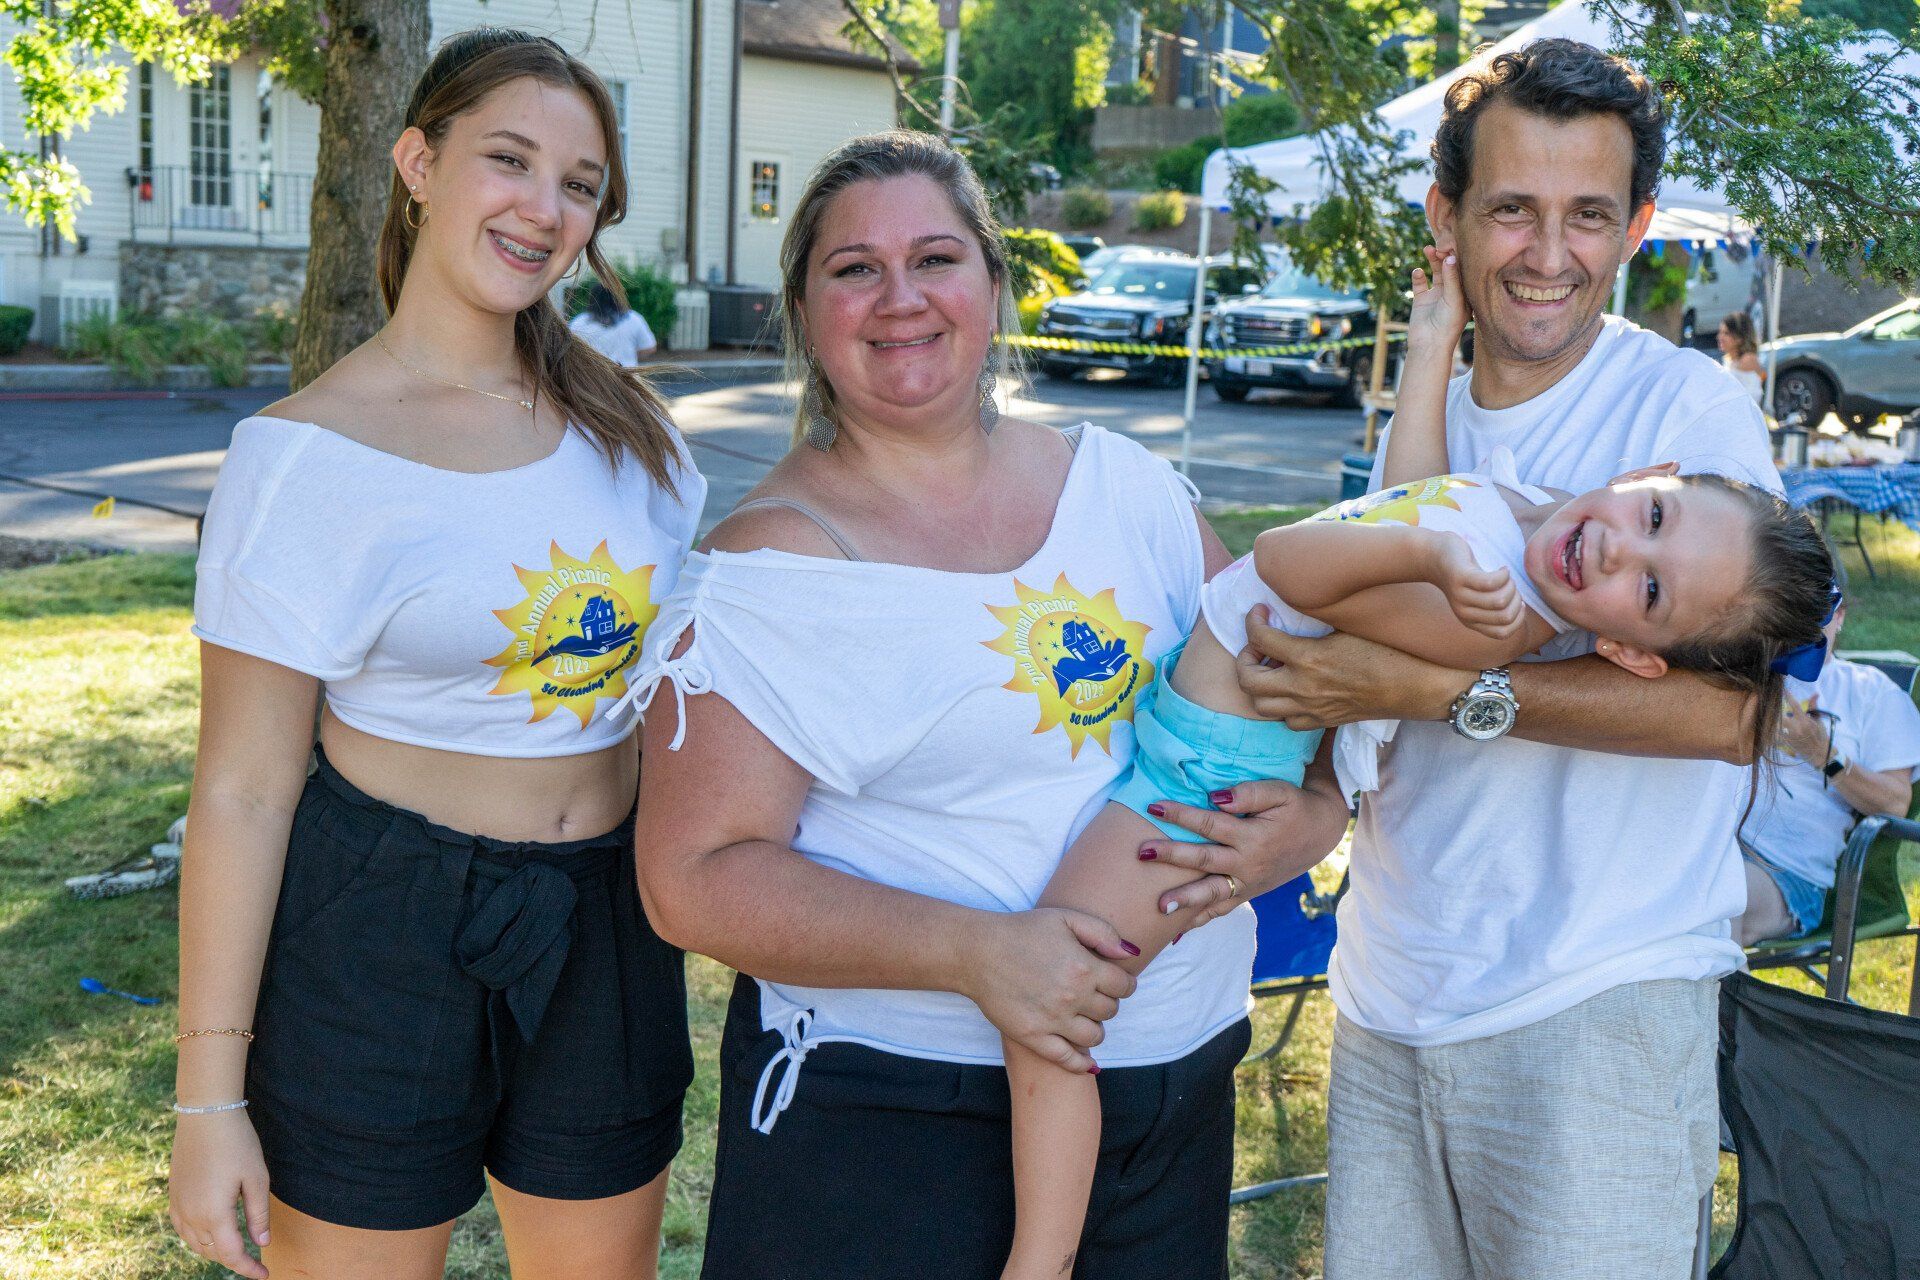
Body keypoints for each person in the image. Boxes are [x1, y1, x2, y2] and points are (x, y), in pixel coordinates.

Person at [997, 250, 1836, 1279]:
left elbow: (1296, 561)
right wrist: (1433, 348)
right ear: (1641, 475)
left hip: (1196, 774)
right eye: (1652, 516)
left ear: (1628, 650)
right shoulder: (1522, 518)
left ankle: (1039, 1254)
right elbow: (1411, 499)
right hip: (1196, 736)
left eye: (1651, 593)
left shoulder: (1497, 614)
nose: (1622, 552)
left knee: (1055, 993)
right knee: (1060, 986)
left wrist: (1427, 558)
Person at [625, 130, 1352, 1280]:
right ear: (803, 312)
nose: (900, 297)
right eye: (854, 268)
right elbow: (691, 877)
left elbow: (1290, 681)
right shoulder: (766, 571)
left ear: (995, 282)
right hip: (892, 1125)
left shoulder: (1134, 491)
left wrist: (1313, 821)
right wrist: (979, 953)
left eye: (936, 257)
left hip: (1174, 1095)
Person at [1141, 40, 1788, 1277]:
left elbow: (1732, 716)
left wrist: (1434, 693)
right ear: (1448, 216)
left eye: (1590, 215)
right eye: (1513, 210)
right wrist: (1323, 794)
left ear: (1638, 224)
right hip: (1390, 995)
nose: (1550, 255)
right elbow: (1353, 628)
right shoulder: (1426, 404)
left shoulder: (1684, 425)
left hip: (1597, 1001)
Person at [167, 30, 704, 1280]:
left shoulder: (632, 432)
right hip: (381, 924)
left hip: (607, 917)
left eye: (579, 184)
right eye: (507, 160)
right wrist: (209, 1099)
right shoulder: (301, 455)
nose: (544, 207)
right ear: (416, 160)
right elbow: (243, 790)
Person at [1735, 571, 1920, 945]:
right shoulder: (1750, 670)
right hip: (1712, 835)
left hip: (1784, 869)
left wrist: (1823, 753)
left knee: (1717, 898)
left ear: (1840, 616)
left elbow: (1895, 803)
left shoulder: (1872, 693)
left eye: (1816, 618)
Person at [570, 279, 659, 366]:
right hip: (627, 376)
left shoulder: (580, 322)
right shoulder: (633, 319)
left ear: (593, 299)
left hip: (593, 377)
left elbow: (570, 350)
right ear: (619, 298)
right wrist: (629, 356)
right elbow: (649, 348)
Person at [1718, 309, 1766, 409]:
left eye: (1726, 333)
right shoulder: (1729, 359)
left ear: (1740, 338)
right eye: (1720, 332)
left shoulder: (1747, 359)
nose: (1720, 337)